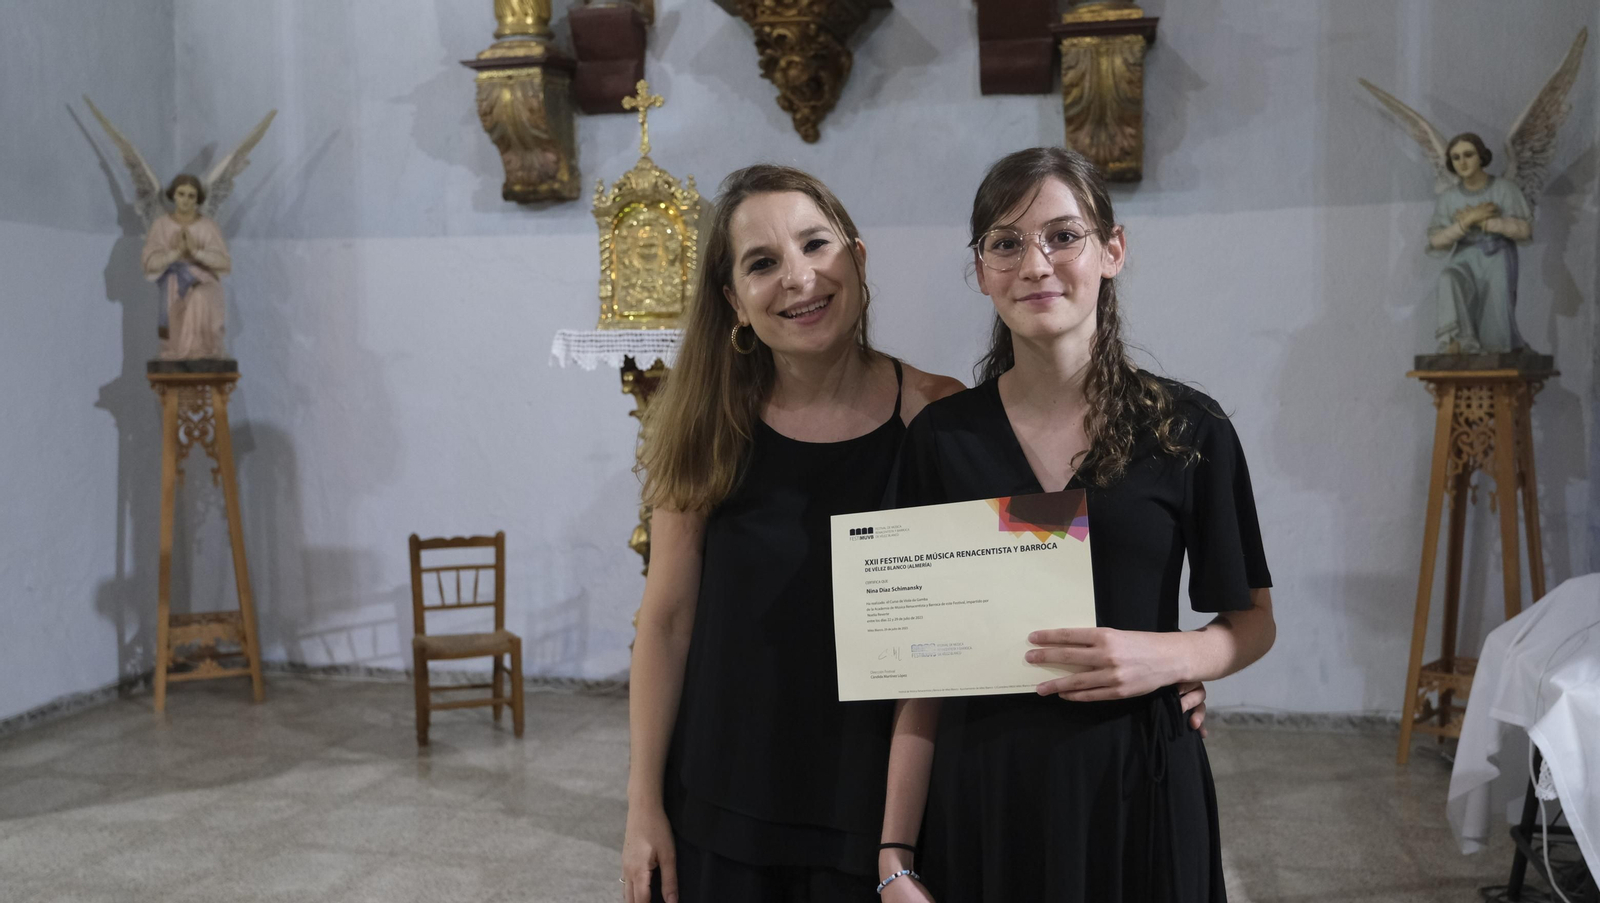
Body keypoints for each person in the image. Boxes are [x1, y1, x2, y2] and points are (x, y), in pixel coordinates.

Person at [878, 146, 1277, 902]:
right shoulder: (943, 439)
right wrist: (895, 850)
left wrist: (1169, 658)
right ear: (980, 269)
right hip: (986, 785)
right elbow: (917, 666)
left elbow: (1252, 622)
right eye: (1006, 242)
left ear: (1112, 250)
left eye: (1063, 235)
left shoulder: (1188, 428)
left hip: (1141, 778)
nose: (1036, 263)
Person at [620, 164, 965, 902]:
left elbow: (983, 603)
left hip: (877, 815)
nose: (799, 278)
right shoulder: (705, 426)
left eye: (815, 245)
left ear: (858, 259)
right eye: (763, 262)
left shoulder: (936, 413)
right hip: (723, 803)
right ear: (734, 303)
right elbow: (668, 623)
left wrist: (1160, 667)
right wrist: (642, 803)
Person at [1425, 132, 1533, 353]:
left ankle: (1496, 349)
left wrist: (1489, 223)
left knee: (1494, 314)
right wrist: (1466, 223)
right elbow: (1435, 241)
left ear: (1481, 156)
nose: (1462, 162)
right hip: (1464, 256)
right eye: (1456, 158)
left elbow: (1524, 230)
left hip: (1497, 256)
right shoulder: (1449, 198)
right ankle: (1458, 341)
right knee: (1448, 278)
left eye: (1468, 155)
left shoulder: (1504, 189)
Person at [141, 174, 232, 360]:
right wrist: (174, 254)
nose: (186, 200)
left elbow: (223, 262)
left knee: (200, 297)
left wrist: (196, 252)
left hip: (204, 281)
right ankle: (183, 354)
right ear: (173, 195)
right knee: (177, 320)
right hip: (174, 284)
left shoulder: (207, 226)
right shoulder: (162, 225)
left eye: (191, 196)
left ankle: (205, 351)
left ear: (197, 199)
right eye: (181, 194)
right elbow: (149, 263)